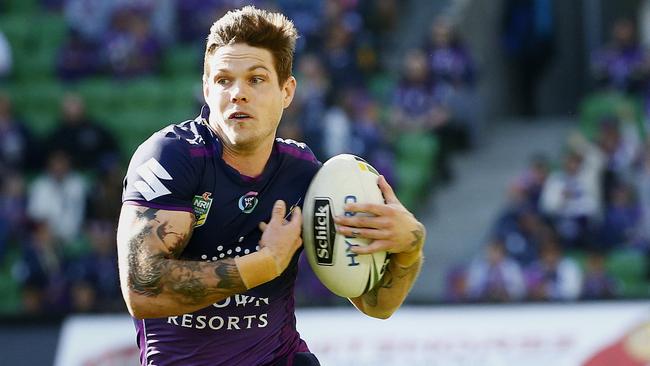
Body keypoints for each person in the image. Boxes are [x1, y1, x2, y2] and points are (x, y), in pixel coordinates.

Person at [116, 6, 426, 366]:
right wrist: (264, 263)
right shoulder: (171, 156)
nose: (237, 93)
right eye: (223, 80)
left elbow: (376, 305)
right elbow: (142, 289)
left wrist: (410, 246)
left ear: (287, 90)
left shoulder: (303, 174)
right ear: (206, 88)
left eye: (256, 79)